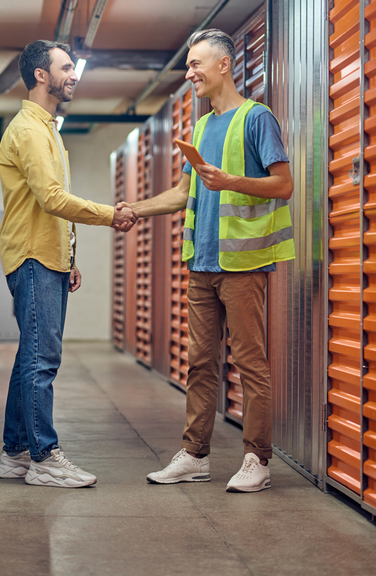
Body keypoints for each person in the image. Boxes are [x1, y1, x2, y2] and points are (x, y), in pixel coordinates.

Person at [117, 29, 294, 492]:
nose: (189, 72)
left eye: (196, 64)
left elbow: (283, 185)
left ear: (223, 65)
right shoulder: (199, 127)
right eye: (189, 65)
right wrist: (134, 209)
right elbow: (183, 194)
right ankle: (195, 455)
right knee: (200, 364)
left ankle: (258, 459)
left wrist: (231, 181)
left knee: (251, 363)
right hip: (203, 265)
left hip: (243, 265)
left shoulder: (256, 119)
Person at [0, 39, 137, 488]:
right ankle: (43, 457)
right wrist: (109, 215)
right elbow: (52, 198)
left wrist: (69, 256)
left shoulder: (48, 128)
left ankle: (15, 452)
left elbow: (50, 201)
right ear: (41, 74)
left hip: (47, 256)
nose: (74, 74)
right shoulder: (30, 130)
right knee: (43, 359)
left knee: (30, 357)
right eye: (66, 66)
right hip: (33, 255)